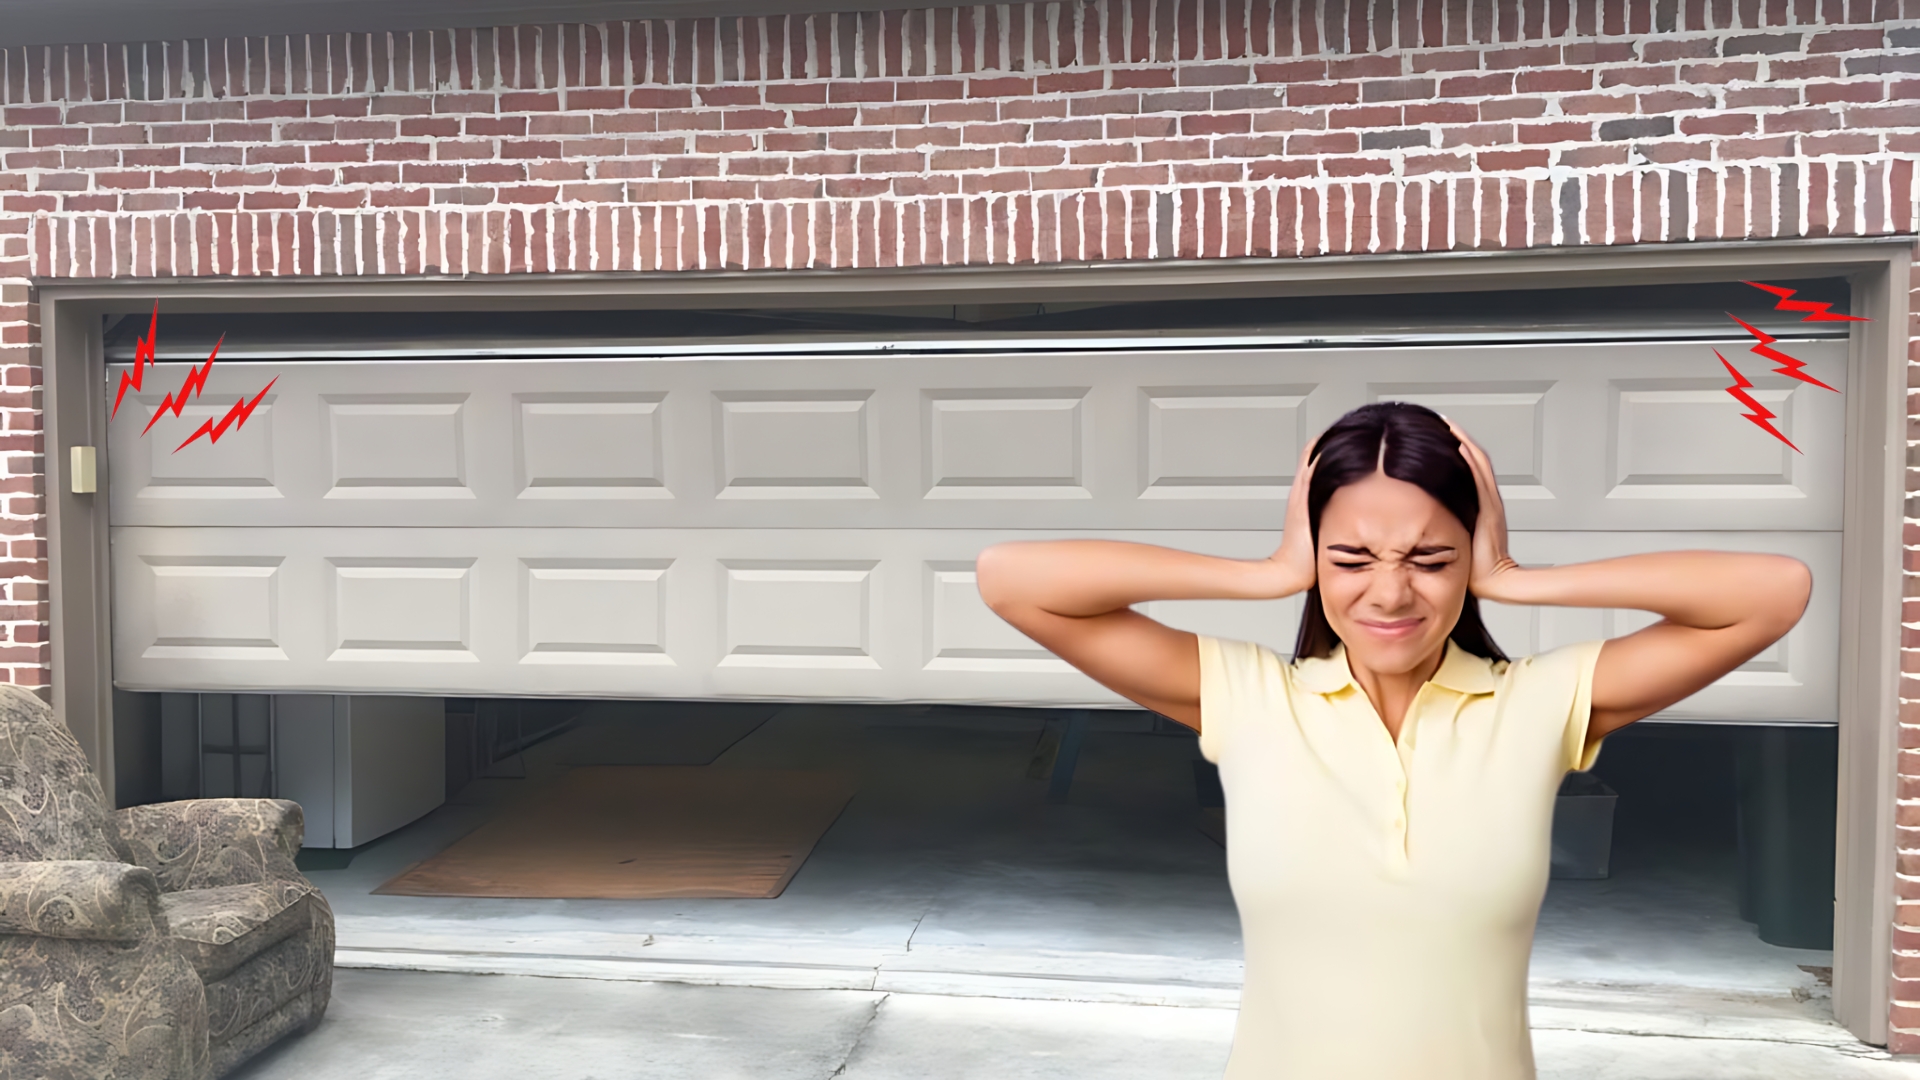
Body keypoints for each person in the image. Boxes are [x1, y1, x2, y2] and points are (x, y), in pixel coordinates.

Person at [974, 402, 1810, 1080]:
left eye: (1431, 558)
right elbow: (1012, 579)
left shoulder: (1538, 704)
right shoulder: (1252, 698)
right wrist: (1263, 572)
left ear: (1467, 561)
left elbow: (1772, 593)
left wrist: (1518, 579)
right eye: (1351, 558)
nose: (1390, 592)